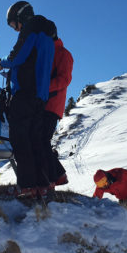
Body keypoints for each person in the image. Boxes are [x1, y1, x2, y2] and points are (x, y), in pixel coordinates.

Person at [0, 1, 55, 197]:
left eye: (13, 25)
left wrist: (1, 63)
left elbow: (18, 56)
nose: (15, 29)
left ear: (20, 18)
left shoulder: (31, 29)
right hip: (40, 95)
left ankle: (26, 185)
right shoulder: (48, 35)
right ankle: (41, 185)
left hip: (25, 92)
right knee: (35, 139)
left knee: (20, 138)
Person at [42, 34, 73, 188]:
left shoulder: (63, 54)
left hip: (52, 105)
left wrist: (43, 88)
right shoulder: (47, 53)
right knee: (40, 141)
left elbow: (64, 79)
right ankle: (56, 176)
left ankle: (55, 177)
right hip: (43, 104)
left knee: (40, 140)